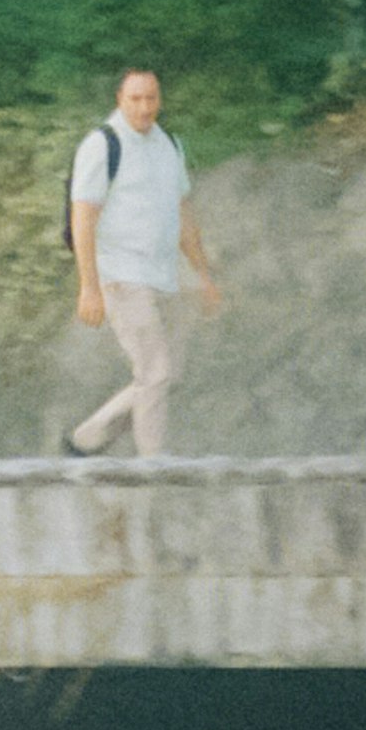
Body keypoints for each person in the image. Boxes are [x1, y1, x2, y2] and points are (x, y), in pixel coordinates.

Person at [64, 67, 223, 458]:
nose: (144, 107)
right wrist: (89, 286)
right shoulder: (102, 145)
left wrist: (203, 275)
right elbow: (82, 216)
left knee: (166, 374)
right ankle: (153, 467)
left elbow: (183, 213)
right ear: (120, 99)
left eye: (151, 98)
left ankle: (87, 438)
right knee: (155, 372)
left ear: (160, 100)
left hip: (164, 275)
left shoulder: (169, 144)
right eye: (135, 98)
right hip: (120, 275)